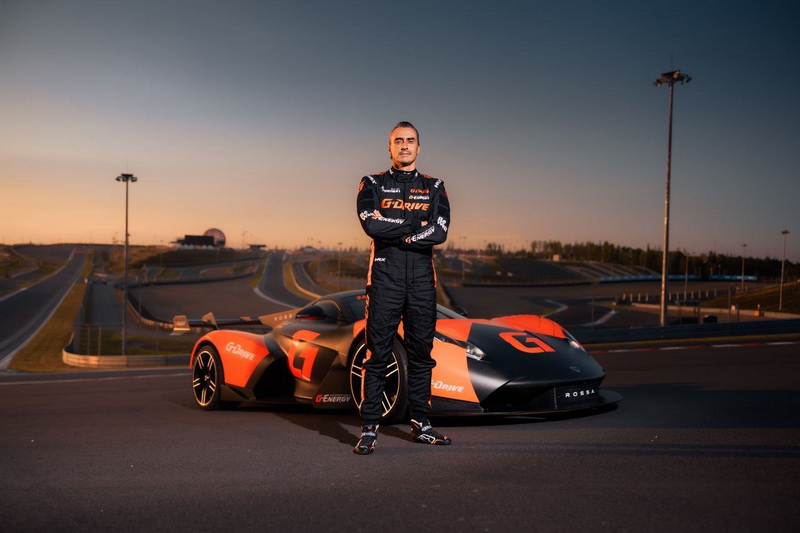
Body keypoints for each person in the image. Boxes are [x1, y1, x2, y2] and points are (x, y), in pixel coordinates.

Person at [353, 121, 452, 455]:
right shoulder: (372, 183)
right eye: (399, 141)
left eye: (410, 140)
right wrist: (414, 226)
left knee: (422, 356)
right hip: (385, 279)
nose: (405, 145)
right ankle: (369, 429)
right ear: (390, 147)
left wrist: (400, 235)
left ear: (418, 147)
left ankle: (421, 424)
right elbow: (371, 224)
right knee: (377, 355)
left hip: (422, 281)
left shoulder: (435, 186)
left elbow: (439, 231)